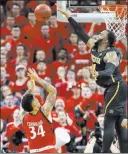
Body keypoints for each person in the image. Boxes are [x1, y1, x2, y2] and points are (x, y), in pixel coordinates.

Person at [58, 7, 128, 153]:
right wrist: (68, 16)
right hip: (113, 88)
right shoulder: (94, 46)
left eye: (102, 33)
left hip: (116, 86)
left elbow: (109, 72)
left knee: (109, 121)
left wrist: (96, 73)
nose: (99, 33)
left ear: (107, 40)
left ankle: (105, 152)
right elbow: (79, 31)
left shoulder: (112, 53)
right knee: (120, 123)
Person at [20, 68, 57, 153]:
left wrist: (31, 88)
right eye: (35, 99)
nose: (37, 99)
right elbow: (53, 91)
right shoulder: (44, 111)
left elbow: (23, 101)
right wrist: (37, 79)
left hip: (33, 151)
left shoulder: (23, 116)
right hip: (48, 150)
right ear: (34, 105)